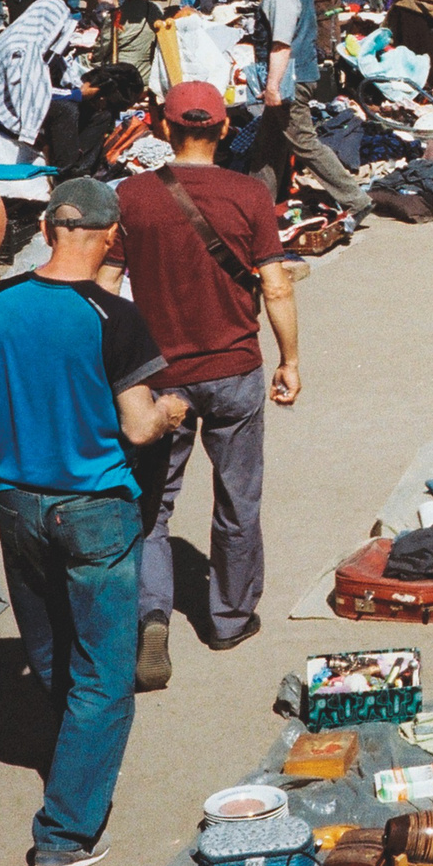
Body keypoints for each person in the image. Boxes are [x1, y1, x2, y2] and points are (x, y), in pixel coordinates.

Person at [0, 179, 188, 866]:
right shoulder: (112, 316)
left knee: (52, 650)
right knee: (103, 672)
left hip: (17, 501)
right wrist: (173, 409)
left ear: (51, 228)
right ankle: (65, 832)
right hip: (93, 506)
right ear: (108, 234)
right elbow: (138, 425)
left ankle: (69, 757)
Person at [106, 81, 297, 686]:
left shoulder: (132, 197)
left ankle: (151, 618)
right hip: (234, 369)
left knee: (151, 509)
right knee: (238, 497)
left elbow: (105, 289)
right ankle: (229, 618)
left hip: (159, 379)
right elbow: (276, 285)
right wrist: (290, 359)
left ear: (164, 128)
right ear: (220, 130)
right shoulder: (250, 193)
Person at [247, 0, 372, 222]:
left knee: (304, 142)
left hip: (291, 78)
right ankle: (256, 202)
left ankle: (356, 199)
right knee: (270, 141)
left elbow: (281, 44)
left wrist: (273, 86)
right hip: (297, 74)